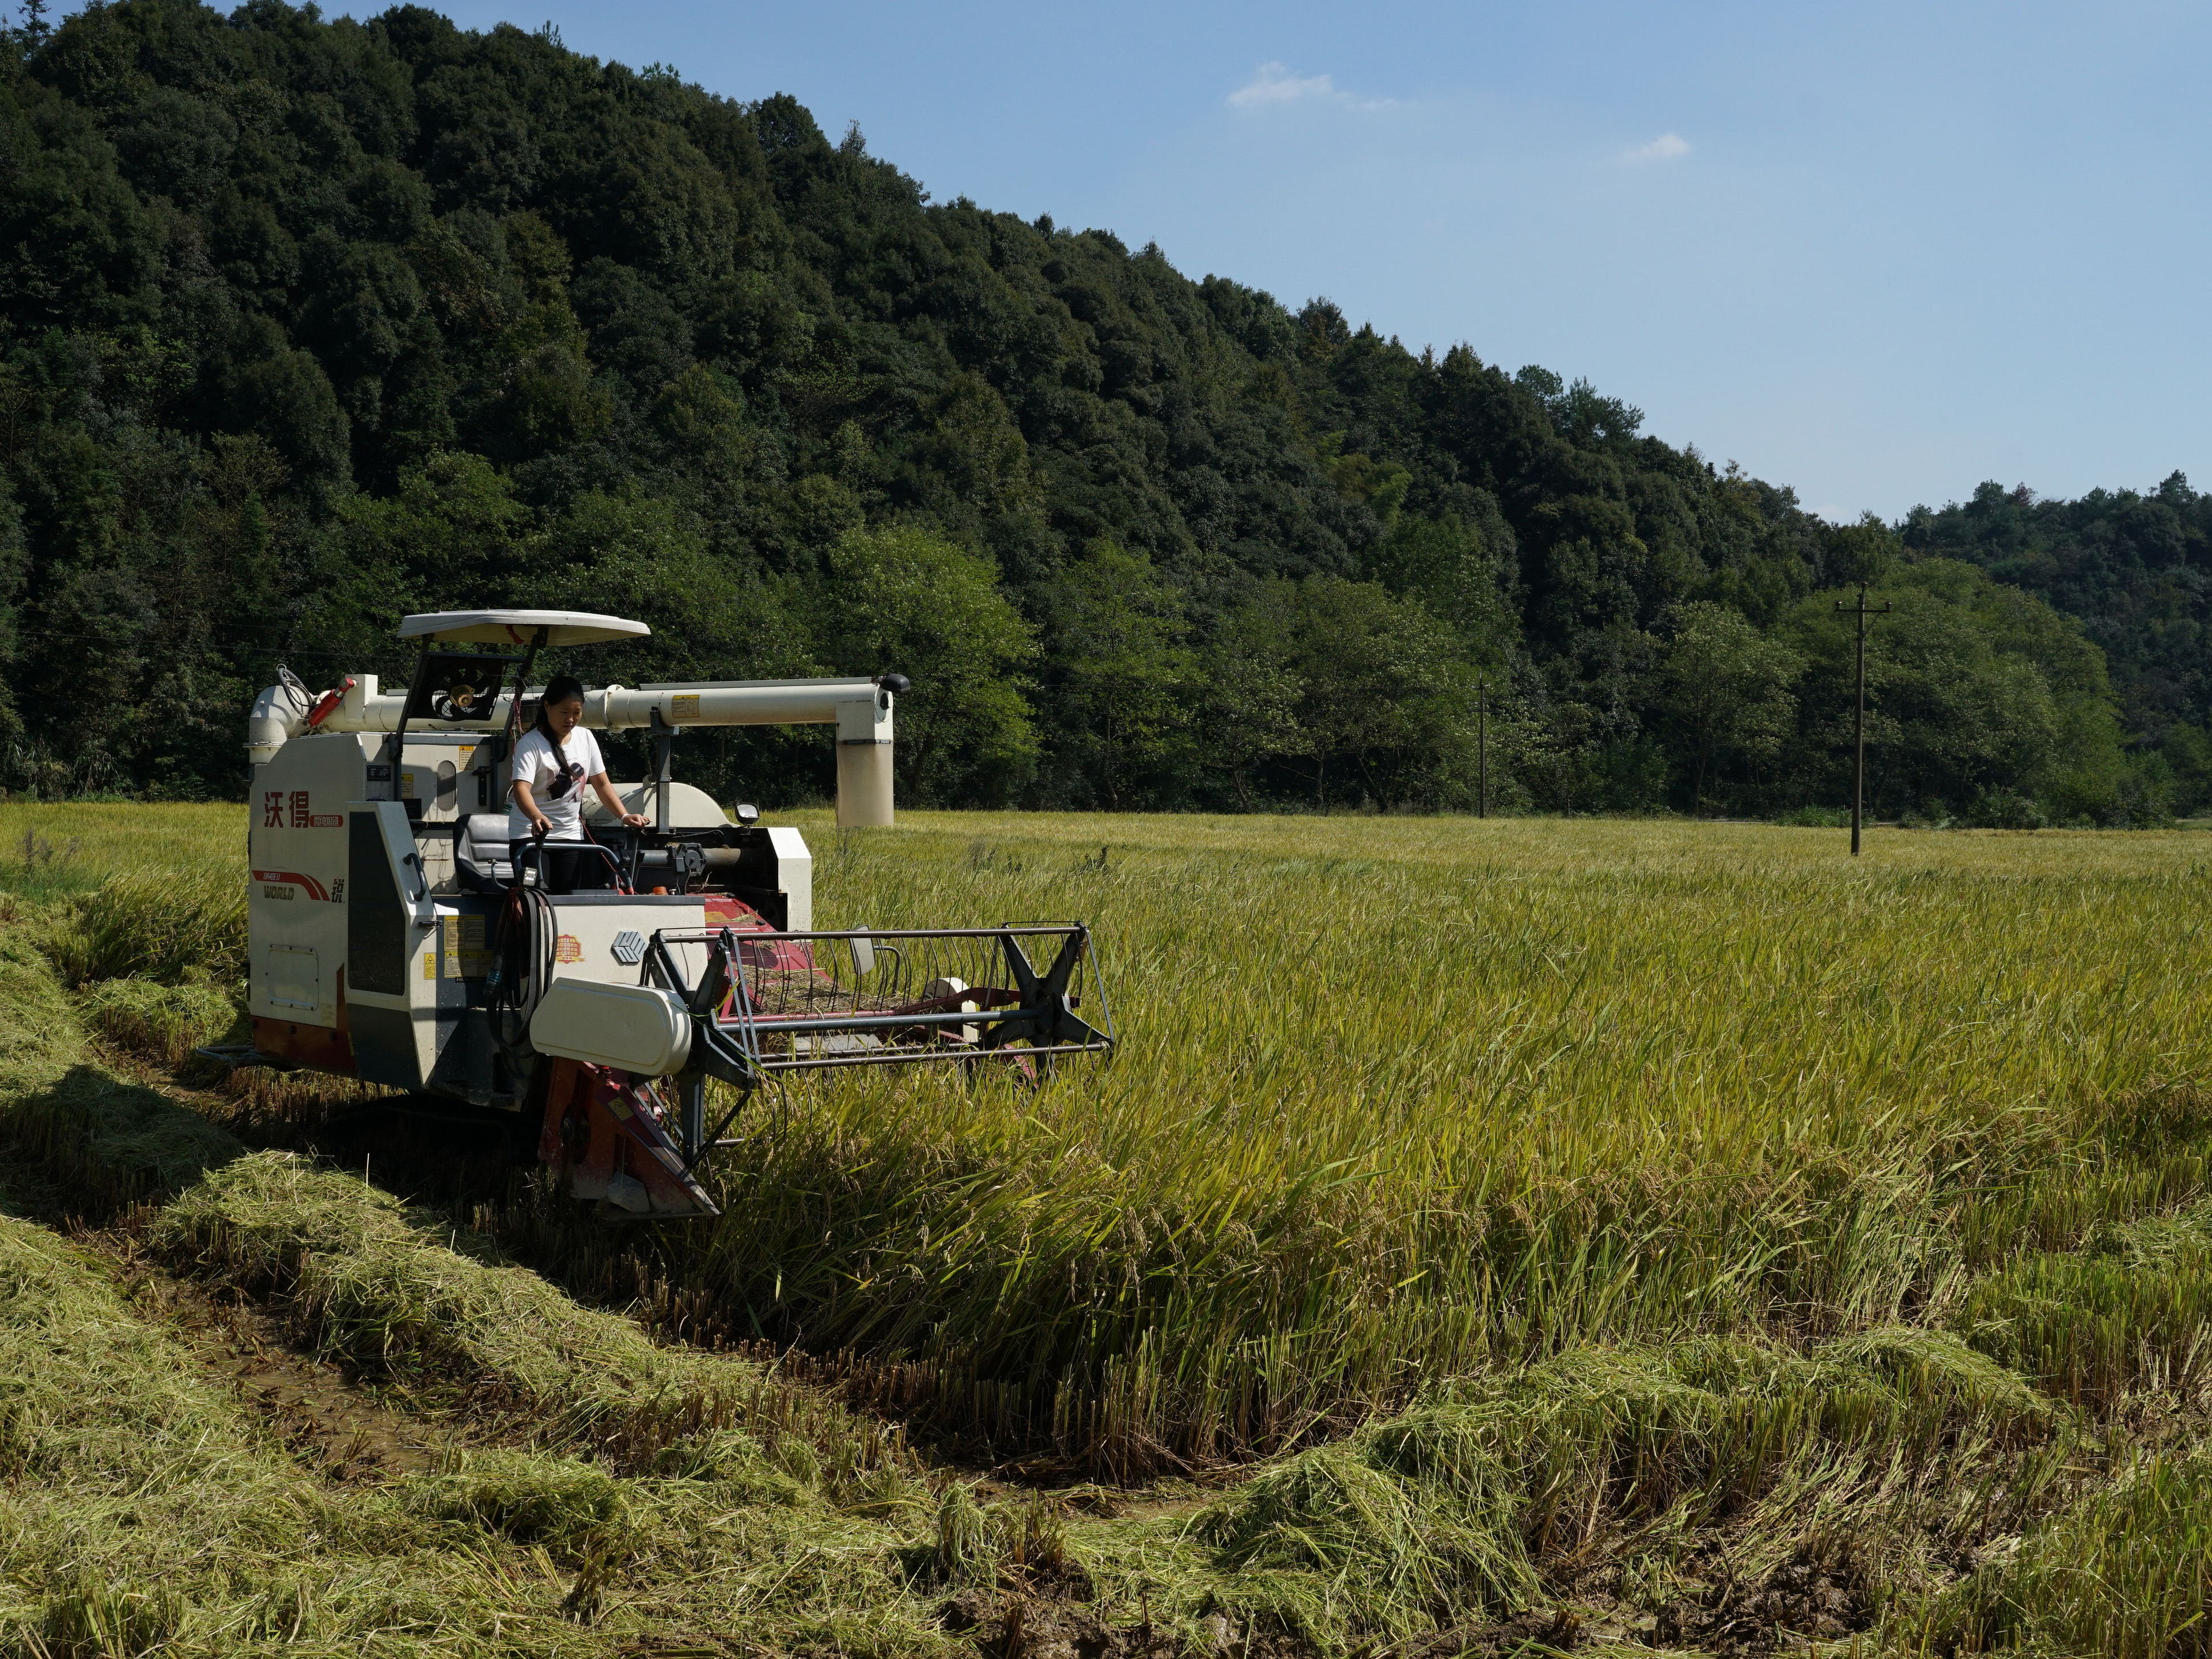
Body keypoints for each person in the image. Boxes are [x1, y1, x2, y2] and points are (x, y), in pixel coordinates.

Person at [507, 674, 647, 892]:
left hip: (570, 835)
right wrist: (536, 816)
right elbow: (521, 789)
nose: (570, 719)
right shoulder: (530, 744)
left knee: (567, 898)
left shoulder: (586, 738)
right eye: (564, 713)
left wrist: (625, 816)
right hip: (530, 835)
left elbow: (602, 784)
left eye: (577, 713)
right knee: (534, 897)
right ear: (547, 706)